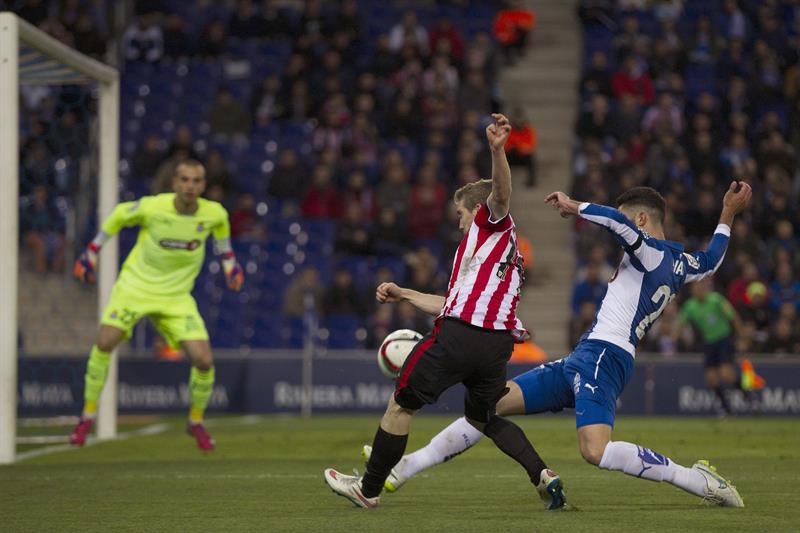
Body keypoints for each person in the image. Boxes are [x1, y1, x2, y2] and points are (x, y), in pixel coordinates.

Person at [369, 182, 752, 508]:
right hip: (587, 355)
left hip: (606, 356)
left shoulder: (650, 253)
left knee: (595, 451)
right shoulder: (683, 264)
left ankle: (696, 480)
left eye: (628, 218)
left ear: (641, 219)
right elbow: (713, 259)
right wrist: (727, 214)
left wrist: (576, 207)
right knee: (488, 407)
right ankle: (404, 469)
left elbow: (618, 225)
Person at [324, 114, 565, 510]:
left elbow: (501, 195)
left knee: (400, 404)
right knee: (484, 417)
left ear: (475, 209)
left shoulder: (491, 224)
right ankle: (542, 474)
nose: (459, 222)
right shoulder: (497, 255)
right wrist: (405, 293)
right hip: (494, 345)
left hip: (461, 336)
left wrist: (496, 150)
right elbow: (451, 302)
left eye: (460, 214)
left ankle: (368, 490)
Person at [69, 160, 245, 451]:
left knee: (203, 360)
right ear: (174, 183)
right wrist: (91, 252)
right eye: (185, 180)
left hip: (176, 297)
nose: (190, 186)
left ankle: (196, 421)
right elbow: (117, 216)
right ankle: (87, 416)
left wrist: (231, 267)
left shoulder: (214, 214)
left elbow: (224, 243)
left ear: (203, 186)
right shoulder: (153, 207)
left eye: (196, 181)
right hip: (135, 287)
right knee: (105, 341)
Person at [678, 278, 740, 415]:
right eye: (694, 288)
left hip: (724, 339)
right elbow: (680, 324)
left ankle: (748, 395)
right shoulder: (690, 306)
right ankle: (726, 407)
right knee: (711, 379)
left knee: (726, 373)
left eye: (700, 287)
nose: (697, 290)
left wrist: (740, 337)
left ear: (705, 288)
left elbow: (733, 317)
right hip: (708, 342)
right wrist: (675, 337)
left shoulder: (716, 300)